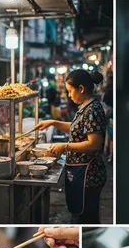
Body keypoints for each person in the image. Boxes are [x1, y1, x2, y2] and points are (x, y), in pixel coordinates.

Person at [35, 70, 107, 224]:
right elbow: (77, 128)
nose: (69, 95)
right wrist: (53, 122)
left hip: (89, 174)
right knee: (78, 214)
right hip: (80, 172)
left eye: (70, 91)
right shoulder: (86, 107)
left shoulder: (93, 109)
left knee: (85, 218)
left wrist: (65, 146)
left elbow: (94, 144)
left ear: (81, 88)